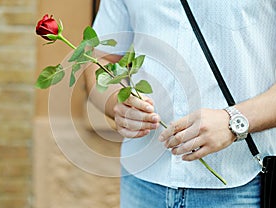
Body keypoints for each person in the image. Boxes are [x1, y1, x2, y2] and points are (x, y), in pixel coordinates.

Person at [84, 1, 276, 207]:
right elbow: (98, 59)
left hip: (241, 186)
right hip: (141, 182)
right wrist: (117, 103)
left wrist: (235, 121)